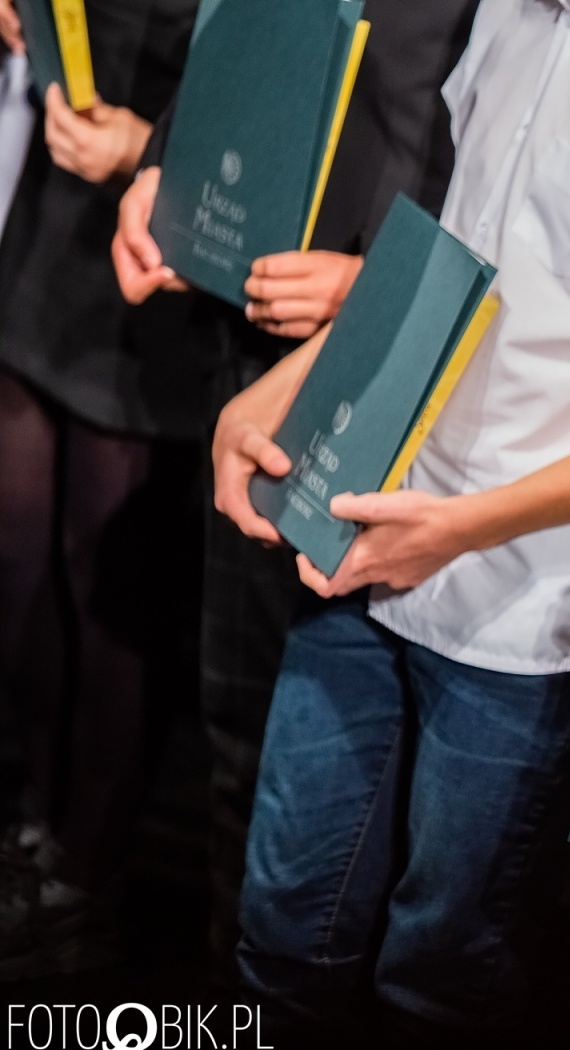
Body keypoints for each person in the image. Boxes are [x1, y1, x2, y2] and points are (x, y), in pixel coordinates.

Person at [209, 0, 570, 1036]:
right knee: (284, 933)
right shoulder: (514, 13)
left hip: (528, 616)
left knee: (441, 975)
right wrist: (292, 385)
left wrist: (467, 523)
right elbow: (467, 263)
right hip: (377, 530)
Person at [107, 0, 480, 987]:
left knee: (379, 775)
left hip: (415, 396)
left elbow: (525, 195)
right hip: (254, 355)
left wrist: (373, 285)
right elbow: (234, 45)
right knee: (243, 725)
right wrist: (163, 173)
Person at [0, 0, 203, 979]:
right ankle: (40, 820)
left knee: (105, 575)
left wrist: (145, 148)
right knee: (18, 557)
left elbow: (284, 95)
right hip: (46, 234)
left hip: (157, 265)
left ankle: (89, 864)